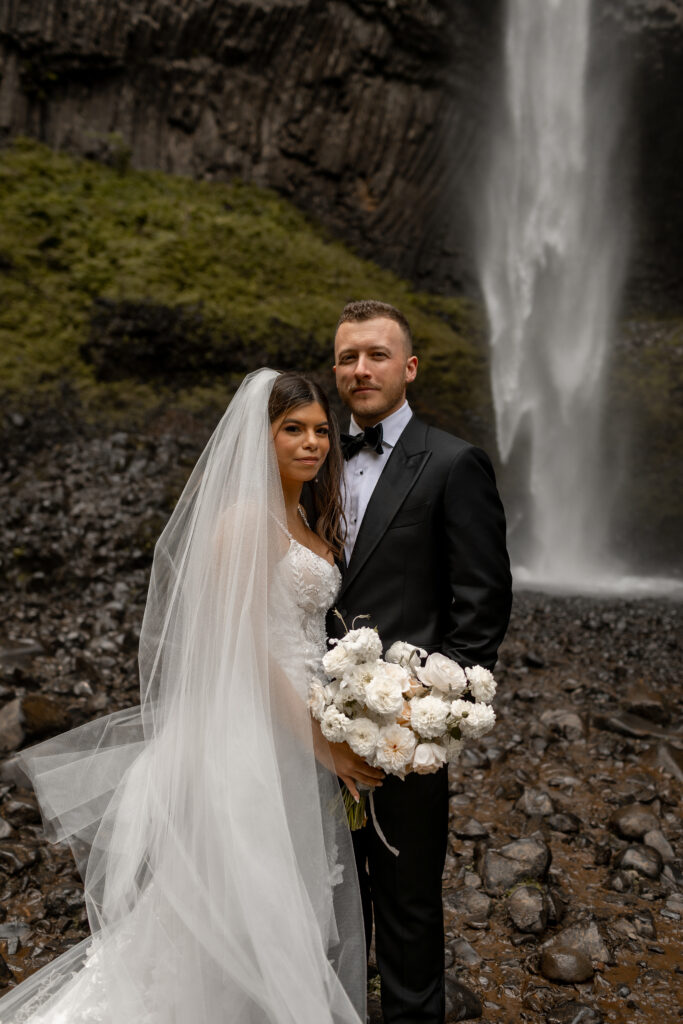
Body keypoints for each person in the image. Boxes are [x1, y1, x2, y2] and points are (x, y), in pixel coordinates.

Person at [0, 369, 378, 1024]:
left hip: (296, 728)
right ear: (260, 438)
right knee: (242, 897)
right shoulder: (244, 522)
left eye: (321, 430)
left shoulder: (300, 517)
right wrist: (323, 744)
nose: (312, 443)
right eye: (293, 429)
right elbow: (253, 656)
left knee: (283, 891)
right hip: (253, 734)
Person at [330, 300, 512, 1024]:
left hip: (401, 726)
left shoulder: (451, 462)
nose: (359, 368)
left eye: (375, 354)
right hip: (307, 722)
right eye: (346, 357)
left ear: (408, 367)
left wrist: (427, 713)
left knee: (406, 898)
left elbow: (481, 598)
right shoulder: (309, 457)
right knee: (327, 891)